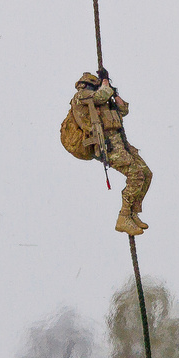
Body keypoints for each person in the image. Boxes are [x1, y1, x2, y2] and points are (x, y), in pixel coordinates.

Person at [68, 69, 152, 236]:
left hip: (121, 142)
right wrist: (105, 85)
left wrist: (114, 92)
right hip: (107, 145)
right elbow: (101, 95)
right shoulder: (82, 96)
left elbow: (123, 110)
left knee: (146, 173)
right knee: (136, 175)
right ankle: (123, 217)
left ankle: (132, 213)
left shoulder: (101, 100)